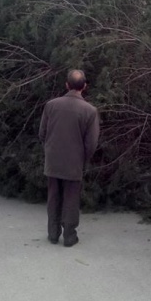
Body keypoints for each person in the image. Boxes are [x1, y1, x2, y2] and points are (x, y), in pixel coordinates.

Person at [39, 69, 100, 247]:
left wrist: (50, 149)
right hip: (74, 161)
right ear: (85, 86)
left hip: (53, 159)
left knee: (53, 197)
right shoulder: (90, 111)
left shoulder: (51, 105)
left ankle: (52, 233)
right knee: (71, 199)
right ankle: (69, 236)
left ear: (66, 85)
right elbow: (91, 143)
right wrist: (83, 159)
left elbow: (42, 133)